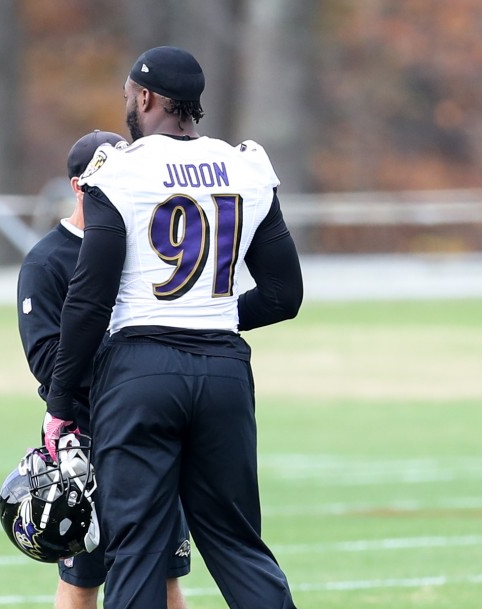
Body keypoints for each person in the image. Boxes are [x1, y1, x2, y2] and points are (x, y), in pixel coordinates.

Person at [43, 46, 303, 609]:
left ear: (145, 98)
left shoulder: (120, 170)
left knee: (135, 549)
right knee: (237, 545)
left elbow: (89, 300)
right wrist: (213, 316)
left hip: (141, 373)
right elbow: (286, 295)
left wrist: (61, 400)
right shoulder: (245, 165)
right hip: (224, 373)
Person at [17, 129, 191, 609]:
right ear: (79, 186)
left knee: (166, 576)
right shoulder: (48, 261)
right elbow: (47, 360)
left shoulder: (150, 246)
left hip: (154, 430)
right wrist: (133, 367)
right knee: (82, 581)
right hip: (89, 439)